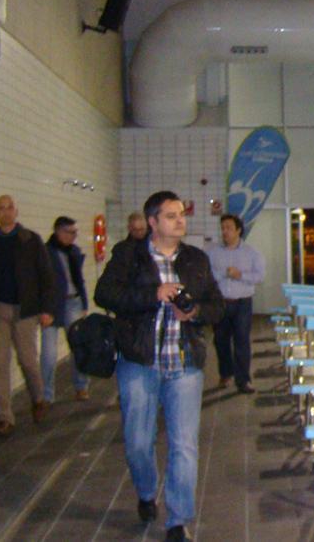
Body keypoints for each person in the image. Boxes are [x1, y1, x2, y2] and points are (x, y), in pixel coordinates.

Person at [95, 191, 223, 542]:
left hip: (184, 365)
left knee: (184, 445)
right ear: (152, 222)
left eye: (181, 214)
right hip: (139, 363)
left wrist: (194, 311)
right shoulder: (129, 255)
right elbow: (104, 294)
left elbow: (217, 306)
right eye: (170, 216)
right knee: (139, 441)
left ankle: (178, 520)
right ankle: (146, 491)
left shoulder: (196, 259)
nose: (180, 221)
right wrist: (153, 293)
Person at [0, 195, 57, 437]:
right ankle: (4, 417)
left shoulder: (31, 240)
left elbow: (46, 276)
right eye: (1, 208)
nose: (6, 211)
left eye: (10, 207)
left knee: (28, 360)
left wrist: (47, 309)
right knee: (0, 363)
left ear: (16, 212)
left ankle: (39, 398)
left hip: (25, 310)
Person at [206, 214, 265, 394]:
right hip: (220, 303)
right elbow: (206, 276)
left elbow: (259, 276)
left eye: (229, 228)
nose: (225, 231)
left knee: (242, 341)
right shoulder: (212, 252)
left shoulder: (251, 253)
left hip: (242, 303)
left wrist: (241, 275)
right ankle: (226, 374)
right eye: (223, 228)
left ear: (238, 230)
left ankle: (244, 379)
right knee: (221, 340)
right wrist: (224, 274)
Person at [42, 216, 90, 402]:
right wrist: (43, 309)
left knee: (78, 346)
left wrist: (84, 303)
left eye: (75, 232)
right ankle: (46, 394)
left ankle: (81, 386)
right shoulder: (46, 253)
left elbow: (79, 280)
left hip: (73, 302)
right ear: (58, 231)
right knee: (49, 353)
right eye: (70, 232)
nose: (73, 236)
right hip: (52, 305)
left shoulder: (74, 252)